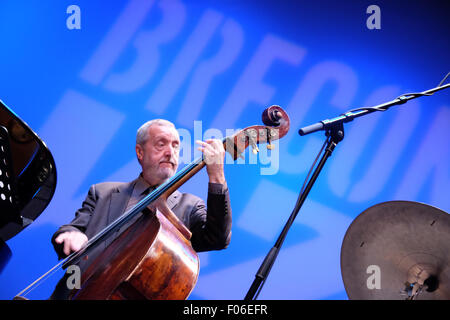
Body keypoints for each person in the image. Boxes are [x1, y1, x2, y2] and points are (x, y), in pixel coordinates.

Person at [50, 119, 232, 299]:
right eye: (161, 144)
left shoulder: (190, 207)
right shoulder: (102, 192)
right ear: (140, 152)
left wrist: (217, 175)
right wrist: (70, 235)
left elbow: (217, 238)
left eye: (176, 146)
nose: (170, 152)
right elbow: (70, 230)